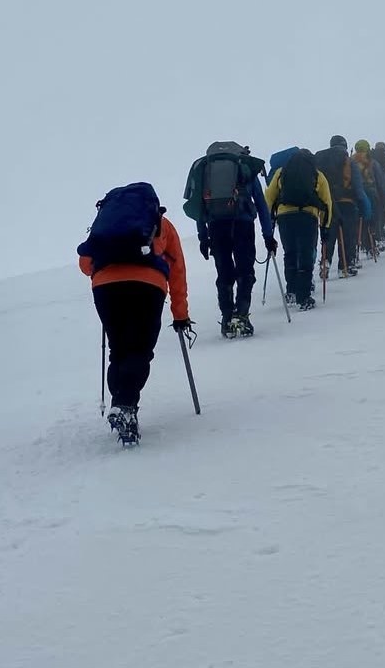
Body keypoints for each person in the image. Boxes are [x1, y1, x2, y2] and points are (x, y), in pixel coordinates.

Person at [77, 182, 190, 444]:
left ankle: (123, 406)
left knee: (119, 350)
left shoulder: (104, 225)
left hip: (105, 288)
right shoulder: (162, 225)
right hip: (147, 287)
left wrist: (109, 267)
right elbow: (178, 271)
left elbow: (85, 264)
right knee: (139, 350)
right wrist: (180, 313)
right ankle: (125, 406)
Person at [183, 141, 276, 337]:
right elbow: (261, 205)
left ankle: (227, 318)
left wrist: (203, 237)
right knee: (245, 270)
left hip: (216, 226)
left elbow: (200, 208)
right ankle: (241, 316)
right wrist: (268, 236)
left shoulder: (206, 171)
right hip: (243, 225)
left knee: (224, 272)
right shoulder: (245, 169)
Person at [265, 149, 332, 309]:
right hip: (308, 217)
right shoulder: (317, 174)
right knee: (305, 254)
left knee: (290, 253)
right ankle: (304, 296)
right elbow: (327, 203)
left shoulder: (281, 172)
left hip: (285, 217)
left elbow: (268, 197)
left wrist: (270, 220)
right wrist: (325, 227)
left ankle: (291, 290)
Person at [316, 135, 371, 277]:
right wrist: (365, 209)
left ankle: (325, 263)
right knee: (347, 235)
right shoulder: (349, 161)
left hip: (327, 203)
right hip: (347, 202)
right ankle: (346, 266)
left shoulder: (321, 160)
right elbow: (358, 188)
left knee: (329, 234)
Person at [353, 140, 385, 250]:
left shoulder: (350, 161)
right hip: (371, 192)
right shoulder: (371, 161)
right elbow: (381, 179)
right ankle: (377, 239)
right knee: (375, 216)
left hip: (355, 194)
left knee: (361, 219)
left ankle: (365, 244)